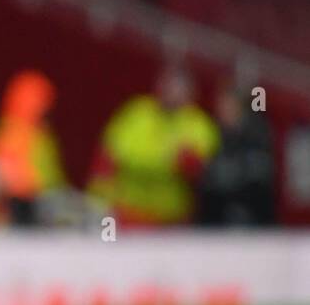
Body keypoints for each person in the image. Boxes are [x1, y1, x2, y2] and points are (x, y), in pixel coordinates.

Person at [87, 65, 220, 226]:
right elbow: (105, 160)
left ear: (190, 94)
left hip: (171, 219)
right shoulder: (137, 113)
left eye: (179, 89)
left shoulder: (198, 124)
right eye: (169, 86)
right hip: (128, 213)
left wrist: (189, 164)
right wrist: (99, 203)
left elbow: (204, 173)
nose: (172, 93)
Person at [0, 69, 66, 226]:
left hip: (38, 202)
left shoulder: (39, 134)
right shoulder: (12, 132)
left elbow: (49, 171)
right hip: (19, 203)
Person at [196, 81, 277, 226]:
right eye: (221, 105)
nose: (224, 110)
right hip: (215, 222)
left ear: (241, 107)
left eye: (229, 105)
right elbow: (206, 183)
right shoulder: (213, 134)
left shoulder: (256, 137)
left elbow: (259, 184)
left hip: (251, 221)